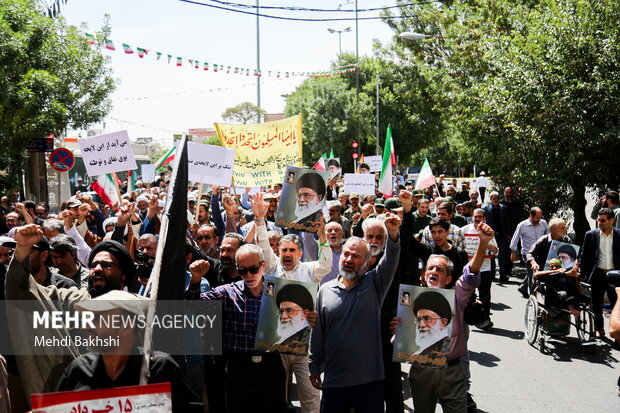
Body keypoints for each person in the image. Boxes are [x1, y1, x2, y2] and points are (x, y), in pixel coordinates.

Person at [393, 222, 494, 412]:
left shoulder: (458, 294)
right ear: (423, 276)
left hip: (452, 372)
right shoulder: (410, 301)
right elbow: (402, 339)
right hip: (421, 372)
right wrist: (397, 333)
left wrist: (483, 244)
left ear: (448, 279)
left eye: (439, 270)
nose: (433, 272)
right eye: (430, 268)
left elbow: (471, 273)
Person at [309, 213, 401, 411]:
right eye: (346, 254)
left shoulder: (375, 284)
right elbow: (318, 332)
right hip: (334, 382)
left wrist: (393, 234)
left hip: (369, 383)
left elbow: (392, 257)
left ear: (368, 263)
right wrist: (314, 364)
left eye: (356, 256)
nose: (349, 259)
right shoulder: (325, 290)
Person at [56, 290, 202, 413]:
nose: (86, 327)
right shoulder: (79, 369)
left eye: (97, 319)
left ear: (126, 326)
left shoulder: (159, 369)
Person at [187, 244, 288, 412]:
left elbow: (298, 323)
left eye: (253, 269)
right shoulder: (227, 293)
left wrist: (309, 318)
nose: (248, 275)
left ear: (263, 265)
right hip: (239, 370)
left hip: (271, 367)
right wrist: (195, 280)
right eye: (243, 271)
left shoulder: (280, 292)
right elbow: (190, 308)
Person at [579, 208, 620, 340]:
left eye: (603, 220)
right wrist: (580, 273)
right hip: (597, 274)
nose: (600, 223)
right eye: (598, 220)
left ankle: (617, 334)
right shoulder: (591, 235)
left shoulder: (619, 235)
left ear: (611, 221)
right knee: (596, 304)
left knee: (617, 305)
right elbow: (583, 256)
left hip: (616, 276)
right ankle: (599, 329)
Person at [462, 209, 498, 330]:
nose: (477, 219)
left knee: (485, 295)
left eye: (480, 217)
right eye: (476, 216)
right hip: (468, 268)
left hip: (485, 267)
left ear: (484, 218)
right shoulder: (464, 230)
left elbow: (496, 250)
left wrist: (490, 247)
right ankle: (467, 318)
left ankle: (485, 319)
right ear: (472, 217)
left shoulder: (488, 231)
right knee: (467, 295)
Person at [510, 207, 549, 296]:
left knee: (532, 272)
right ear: (531, 216)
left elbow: (548, 236)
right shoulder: (522, 225)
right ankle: (532, 295)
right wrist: (513, 252)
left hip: (540, 253)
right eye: (537, 217)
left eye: (540, 217)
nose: (539, 219)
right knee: (532, 274)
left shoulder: (543, 223)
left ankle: (523, 288)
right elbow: (515, 239)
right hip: (527, 254)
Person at [412, 291, 452, 361]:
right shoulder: (419, 353)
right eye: (418, 320)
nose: (421, 325)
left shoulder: (447, 353)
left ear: (443, 323)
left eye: (427, 319)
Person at [274, 284, 314, 352]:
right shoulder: (277, 346)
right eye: (281, 311)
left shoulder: (311, 341)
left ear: (305, 314)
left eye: (289, 311)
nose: (283, 316)